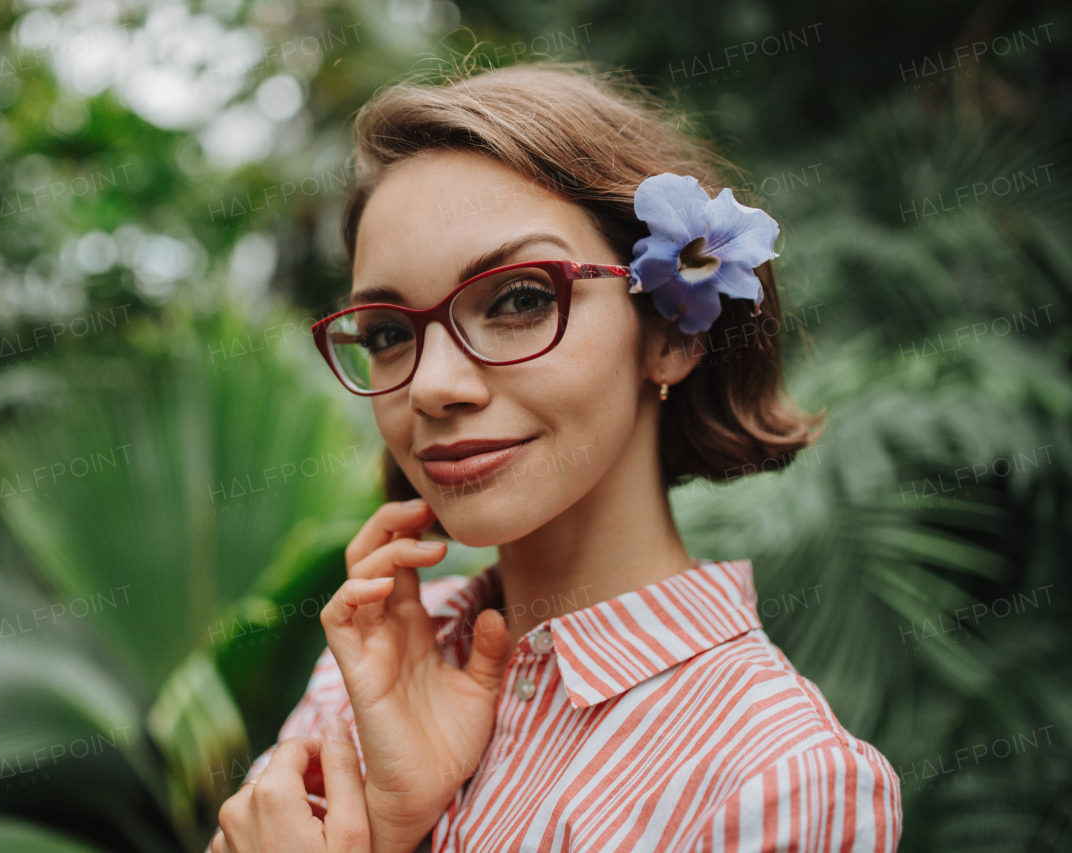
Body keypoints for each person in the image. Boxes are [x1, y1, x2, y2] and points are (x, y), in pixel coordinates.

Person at [210, 60, 902, 853]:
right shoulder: (372, 663)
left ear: (674, 332)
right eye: (389, 333)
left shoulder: (780, 780)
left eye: (519, 299)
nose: (432, 386)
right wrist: (389, 816)